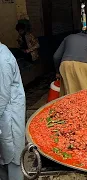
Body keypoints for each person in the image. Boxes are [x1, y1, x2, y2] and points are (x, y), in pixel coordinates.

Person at [0, 42, 26, 180]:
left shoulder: (2, 59)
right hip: (4, 115)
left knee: (12, 159)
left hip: (9, 116)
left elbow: (2, 96)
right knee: (4, 157)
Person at [53, 30, 87, 96]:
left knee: (70, 92)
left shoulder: (68, 37)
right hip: (85, 66)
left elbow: (56, 56)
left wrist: (57, 72)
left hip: (66, 64)